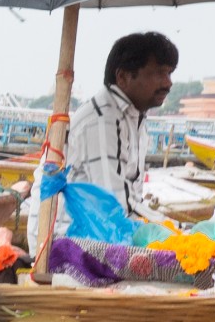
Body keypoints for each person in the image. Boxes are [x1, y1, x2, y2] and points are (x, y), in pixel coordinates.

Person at [67, 32, 178, 220]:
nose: (168, 83)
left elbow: (131, 200)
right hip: (73, 238)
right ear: (123, 77)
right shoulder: (103, 120)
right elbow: (113, 206)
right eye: (160, 73)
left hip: (106, 230)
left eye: (169, 73)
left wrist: (174, 229)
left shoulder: (133, 116)